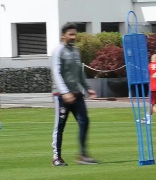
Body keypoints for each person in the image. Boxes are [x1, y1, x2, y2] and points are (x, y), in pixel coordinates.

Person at [51, 22, 98, 166]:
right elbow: (56, 72)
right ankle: (56, 158)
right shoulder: (58, 51)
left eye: (75, 34)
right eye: (71, 34)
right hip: (61, 95)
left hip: (76, 94)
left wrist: (87, 88)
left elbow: (80, 73)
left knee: (85, 122)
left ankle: (82, 155)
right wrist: (65, 92)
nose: (74, 37)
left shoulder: (76, 51)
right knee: (60, 126)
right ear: (63, 36)